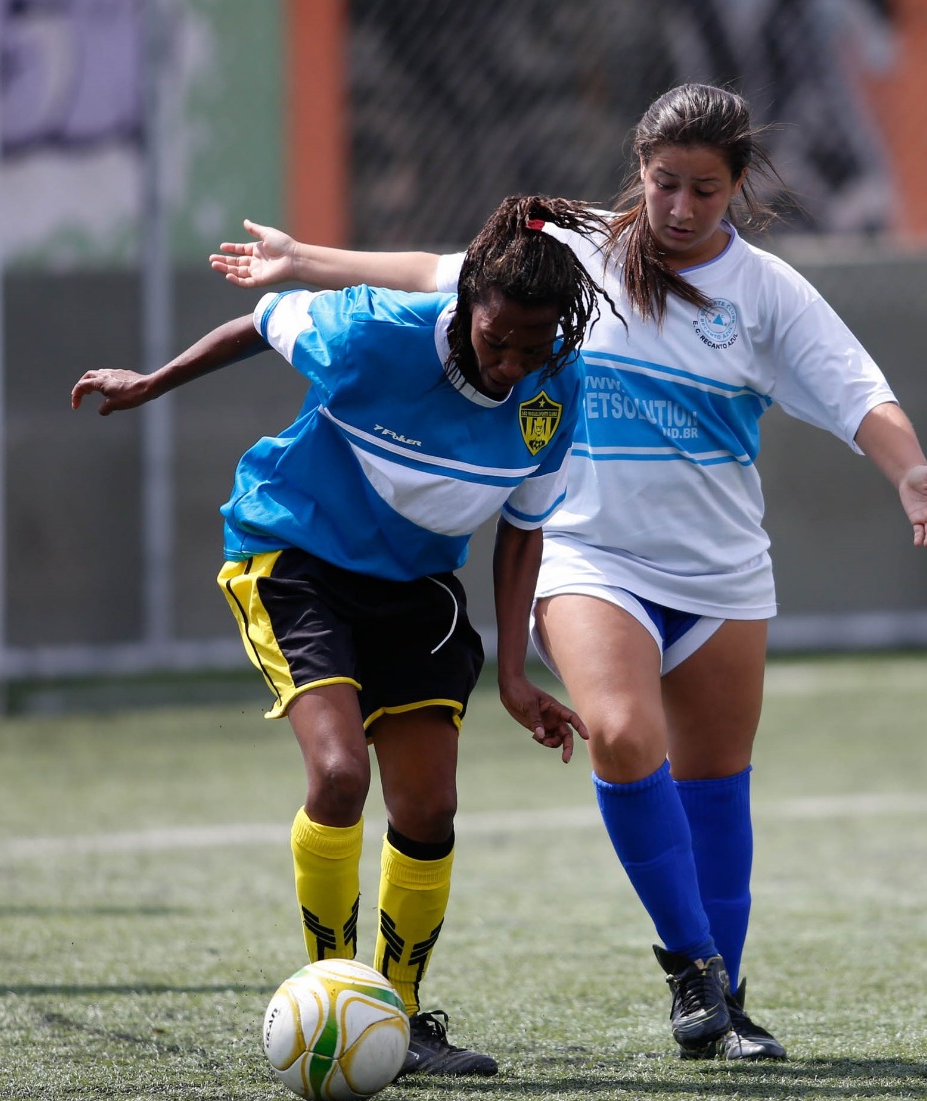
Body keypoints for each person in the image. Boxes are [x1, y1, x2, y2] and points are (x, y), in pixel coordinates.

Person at [210, 83, 927, 1063]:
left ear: (736, 186)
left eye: (702, 189)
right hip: (590, 557)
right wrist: (306, 259)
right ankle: (686, 964)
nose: (680, 206)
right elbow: (442, 274)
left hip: (722, 575)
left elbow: (857, 389)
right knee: (616, 729)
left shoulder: (767, 292)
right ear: (639, 174)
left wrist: (908, 471)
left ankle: (718, 1003)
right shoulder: (573, 255)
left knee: (716, 795)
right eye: (663, 184)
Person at [79, 195, 614, 1079]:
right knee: (337, 774)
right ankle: (330, 982)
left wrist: (516, 676)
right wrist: (150, 381)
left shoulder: (559, 383)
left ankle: (398, 1020)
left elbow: (524, 527)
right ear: (465, 304)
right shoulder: (376, 335)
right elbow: (263, 317)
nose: (514, 363)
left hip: (415, 586)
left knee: (430, 808)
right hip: (296, 553)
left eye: (535, 345)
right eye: (498, 341)